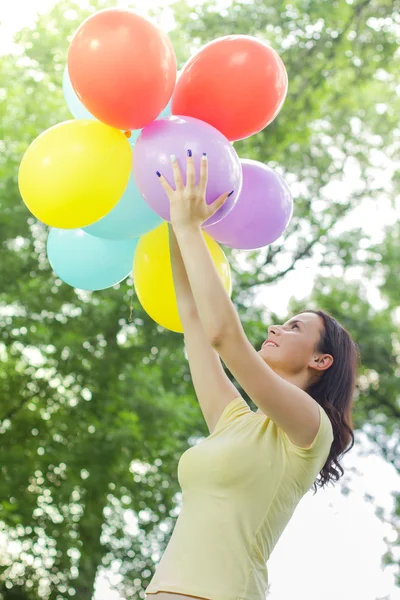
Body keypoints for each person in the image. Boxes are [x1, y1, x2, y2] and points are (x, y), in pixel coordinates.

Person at [145, 153, 360, 600]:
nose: (275, 328)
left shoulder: (309, 430)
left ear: (321, 361)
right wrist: (172, 211)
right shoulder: (235, 422)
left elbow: (224, 336)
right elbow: (195, 319)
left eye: (294, 327)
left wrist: (189, 228)